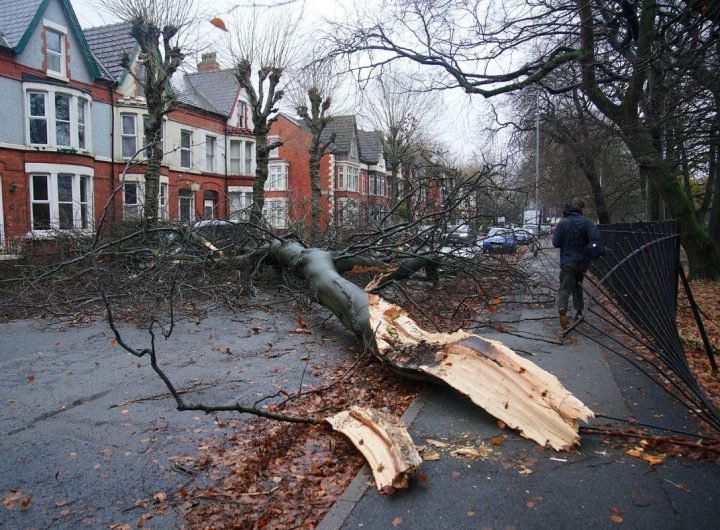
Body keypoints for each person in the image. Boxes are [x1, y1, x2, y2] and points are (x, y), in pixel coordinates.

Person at [551, 198, 600, 330]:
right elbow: (595, 238)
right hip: (582, 261)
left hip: (568, 261)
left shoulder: (563, 223)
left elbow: (555, 242)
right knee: (578, 285)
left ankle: (562, 308)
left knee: (565, 287)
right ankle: (579, 311)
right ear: (581, 209)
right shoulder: (586, 222)